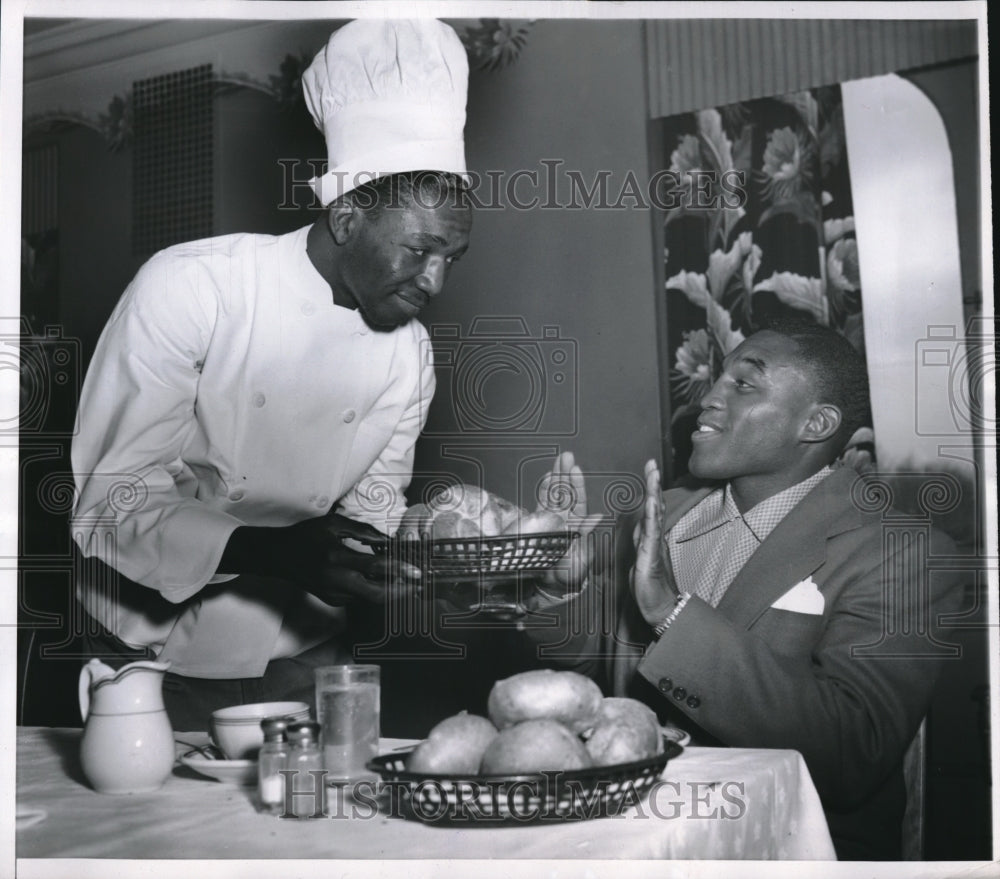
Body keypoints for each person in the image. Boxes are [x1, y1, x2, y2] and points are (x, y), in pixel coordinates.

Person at [70, 20, 473, 731]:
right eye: (419, 250)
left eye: (452, 257)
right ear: (347, 215)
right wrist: (273, 550)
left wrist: (435, 558)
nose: (435, 280)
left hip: (303, 655)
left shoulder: (408, 355)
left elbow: (370, 519)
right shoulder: (196, 288)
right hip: (148, 654)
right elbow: (111, 501)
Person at [530, 320, 963, 860]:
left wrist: (670, 612)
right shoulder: (655, 514)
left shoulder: (904, 553)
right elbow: (590, 687)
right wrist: (556, 589)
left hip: (776, 847)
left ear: (817, 423)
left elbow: (853, 751)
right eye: (715, 379)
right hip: (626, 833)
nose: (707, 399)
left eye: (743, 384)